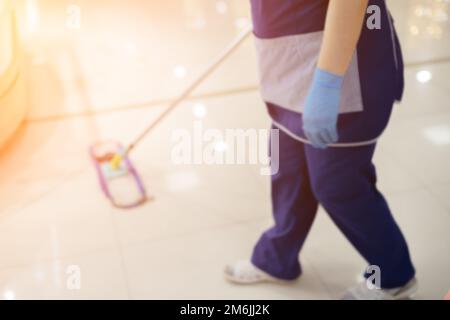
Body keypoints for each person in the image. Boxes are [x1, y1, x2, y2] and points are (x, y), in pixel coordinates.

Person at [225, 0, 417, 300]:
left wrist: (327, 83)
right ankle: (277, 259)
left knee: (338, 184)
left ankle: (393, 275)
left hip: (340, 67)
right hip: (286, 60)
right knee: (288, 171)